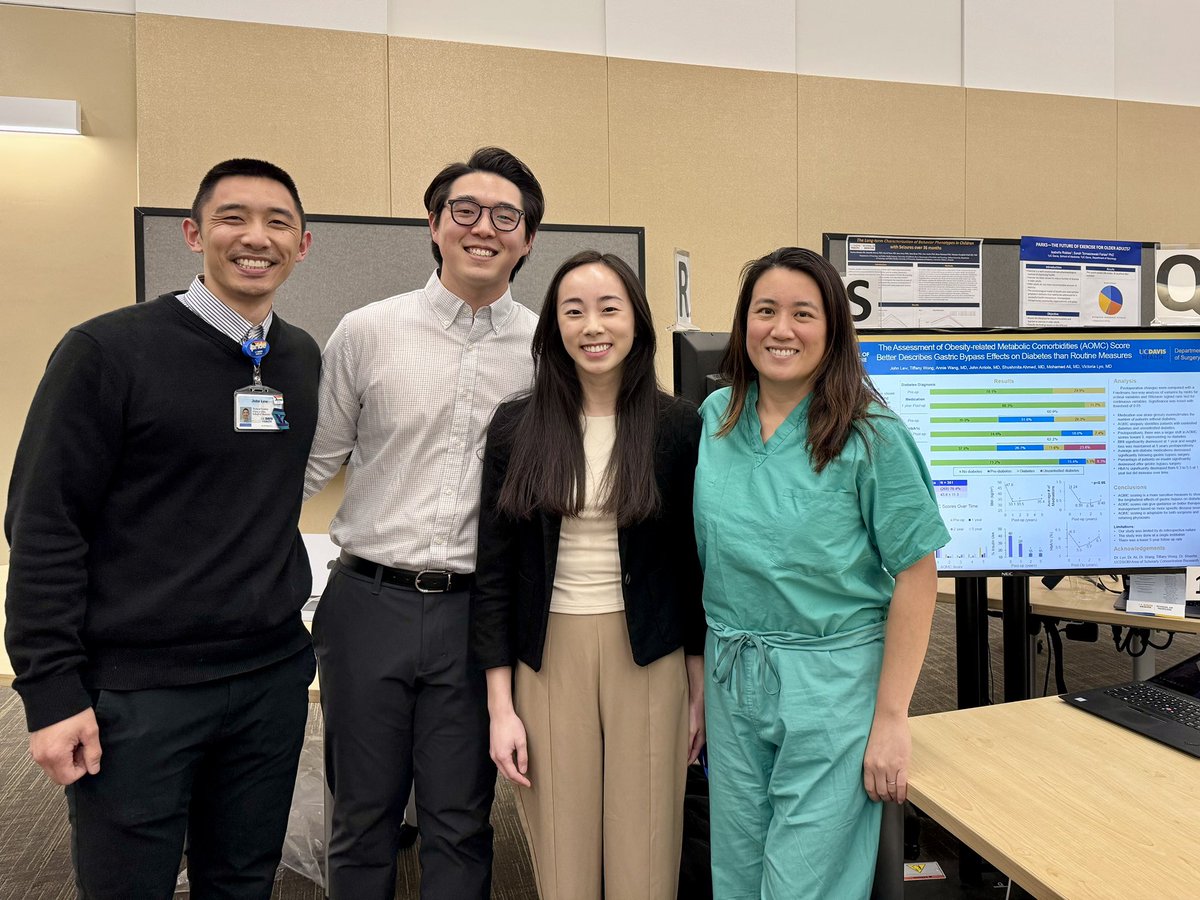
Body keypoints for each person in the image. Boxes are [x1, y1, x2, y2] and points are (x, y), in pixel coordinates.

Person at [4, 158, 319, 899]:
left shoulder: (300, 358)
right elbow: (44, 524)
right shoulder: (107, 352)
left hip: (269, 680)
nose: (256, 238)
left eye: (278, 223)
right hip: (140, 693)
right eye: (233, 218)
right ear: (193, 233)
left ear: (303, 245)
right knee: (128, 886)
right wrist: (51, 691)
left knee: (242, 880)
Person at [304, 146, 544, 900]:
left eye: (506, 216)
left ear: (528, 239)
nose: (484, 228)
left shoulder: (547, 349)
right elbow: (310, 465)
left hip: (478, 615)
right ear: (434, 226)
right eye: (464, 211)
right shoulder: (367, 332)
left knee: (460, 819)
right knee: (362, 817)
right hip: (367, 602)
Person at [693, 247, 950, 899]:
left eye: (803, 313)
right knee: (738, 874)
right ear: (742, 323)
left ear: (833, 327)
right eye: (765, 311)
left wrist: (892, 717)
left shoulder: (871, 436)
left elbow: (918, 575)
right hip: (733, 678)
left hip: (830, 687)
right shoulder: (715, 419)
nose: (781, 329)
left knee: (804, 884)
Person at [472, 251, 706, 900]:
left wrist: (696, 685)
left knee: (647, 864)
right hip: (548, 660)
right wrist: (500, 708)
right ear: (553, 328)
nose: (592, 325)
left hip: (650, 656)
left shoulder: (678, 426)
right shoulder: (516, 427)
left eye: (609, 308)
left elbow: (691, 565)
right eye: (574, 311)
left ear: (636, 322)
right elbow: (495, 571)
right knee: (565, 866)